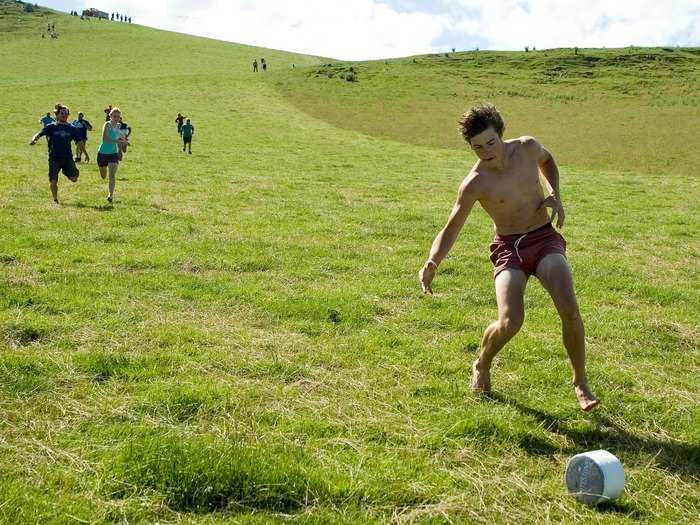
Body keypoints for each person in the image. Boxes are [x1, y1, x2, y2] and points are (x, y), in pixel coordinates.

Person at [418, 104, 599, 411]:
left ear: (501, 135)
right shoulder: (474, 183)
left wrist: (555, 192)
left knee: (569, 308)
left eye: (491, 143)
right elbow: (451, 228)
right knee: (510, 321)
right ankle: (482, 363)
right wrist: (432, 261)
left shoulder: (527, 147)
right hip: (509, 248)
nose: (486, 152)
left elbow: (549, 160)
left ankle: (580, 381)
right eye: (477, 147)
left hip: (544, 238)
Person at [29, 104, 82, 204]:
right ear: (57, 114)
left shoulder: (72, 128)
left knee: (74, 179)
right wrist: (34, 139)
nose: (64, 115)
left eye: (66, 113)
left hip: (67, 158)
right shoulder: (51, 127)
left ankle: (66, 171)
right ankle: (55, 199)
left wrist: (80, 154)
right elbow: (39, 133)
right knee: (53, 181)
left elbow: (79, 142)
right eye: (62, 113)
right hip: (54, 158)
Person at [97, 107, 128, 203]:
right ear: (110, 116)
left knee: (112, 175)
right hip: (102, 153)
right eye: (114, 116)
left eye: (118, 117)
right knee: (103, 176)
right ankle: (103, 170)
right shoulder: (107, 125)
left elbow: (122, 138)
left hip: (113, 154)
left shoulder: (119, 126)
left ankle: (110, 195)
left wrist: (124, 143)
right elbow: (105, 139)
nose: (116, 118)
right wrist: (117, 141)